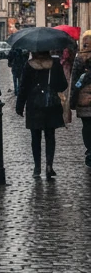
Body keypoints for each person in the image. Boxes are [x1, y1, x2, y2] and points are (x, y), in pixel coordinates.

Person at [15, 50, 68, 178]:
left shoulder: (29, 65)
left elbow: (23, 87)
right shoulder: (55, 64)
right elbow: (63, 85)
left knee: (35, 137)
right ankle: (49, 165)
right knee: (50, 136)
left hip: (34, 105)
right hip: (51, 105)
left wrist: (20, 106)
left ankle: (37, 167)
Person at [69, 31, 91, 168]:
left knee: (87, 126)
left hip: (83, 99)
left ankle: (89, 151)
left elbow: (75, 81)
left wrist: (72, 100)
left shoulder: (79, 58)